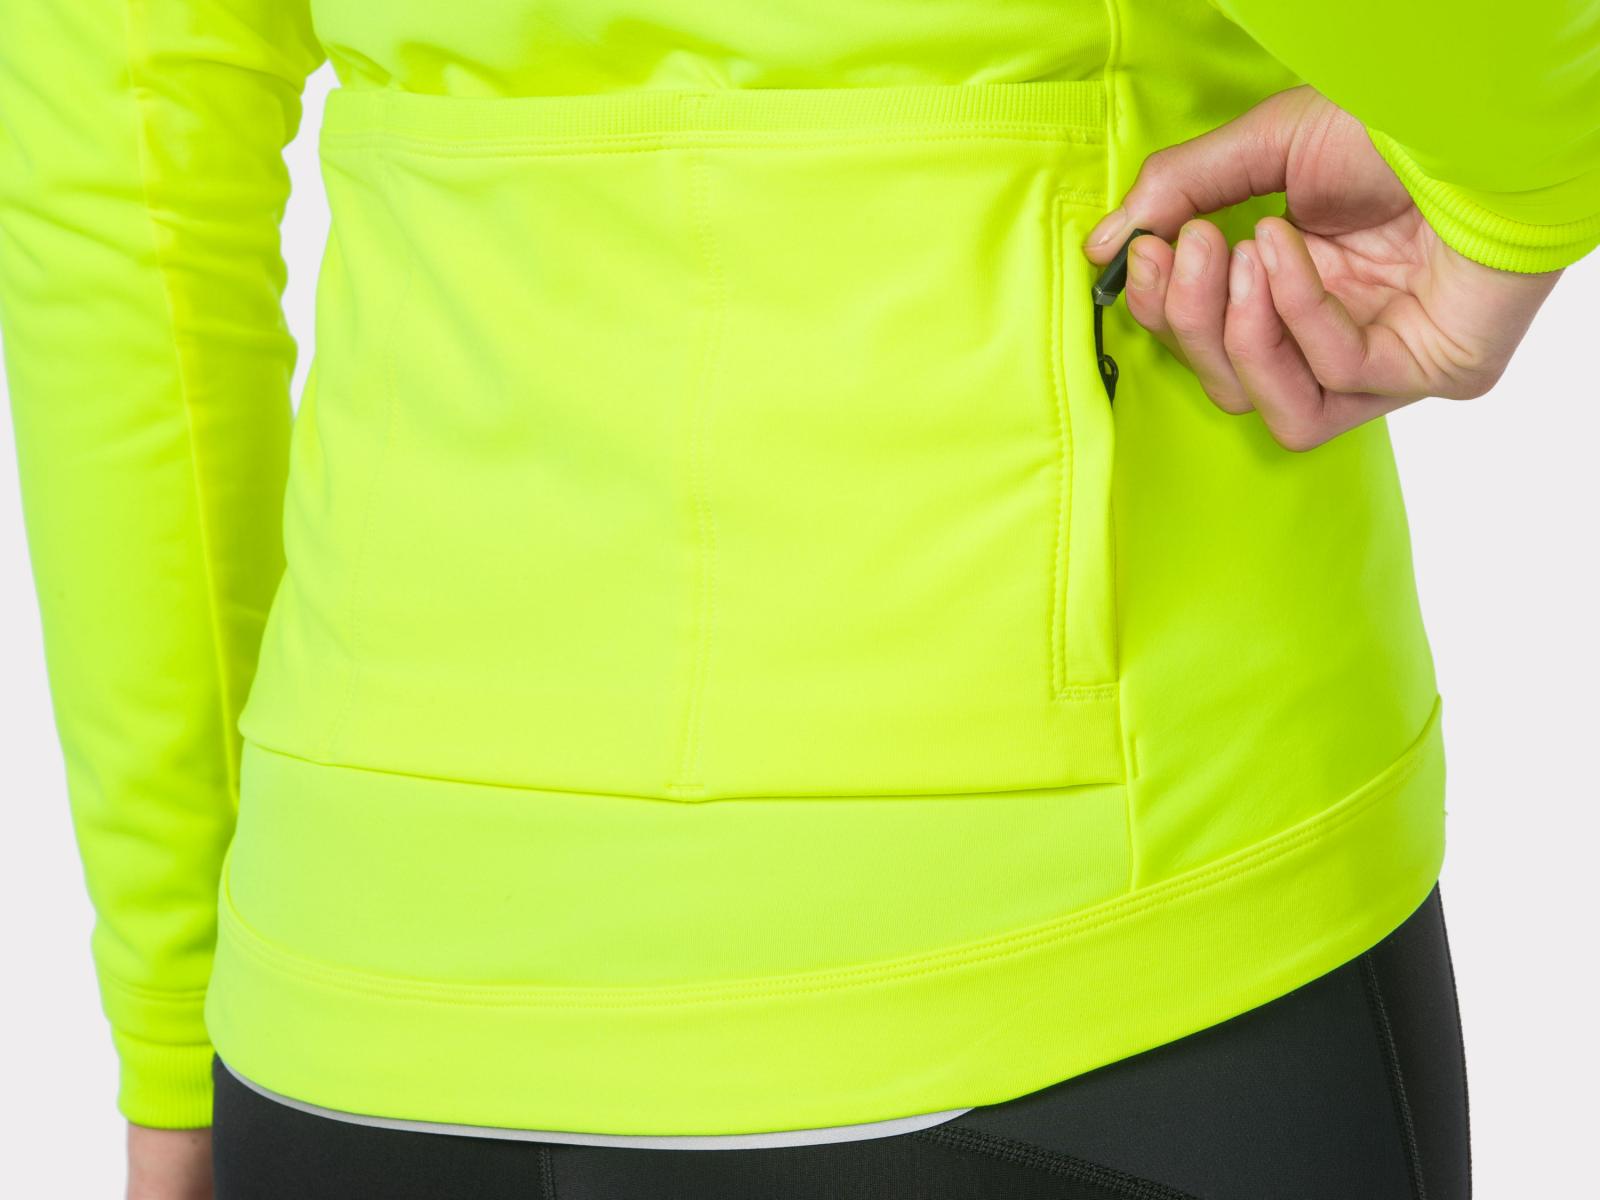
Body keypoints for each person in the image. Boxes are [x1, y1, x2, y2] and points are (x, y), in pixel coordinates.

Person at [0, 1, 1593, 1197]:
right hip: (1101, 936)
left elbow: (120, 201)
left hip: (369, 989)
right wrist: (1527, 173)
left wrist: (175, 1014)